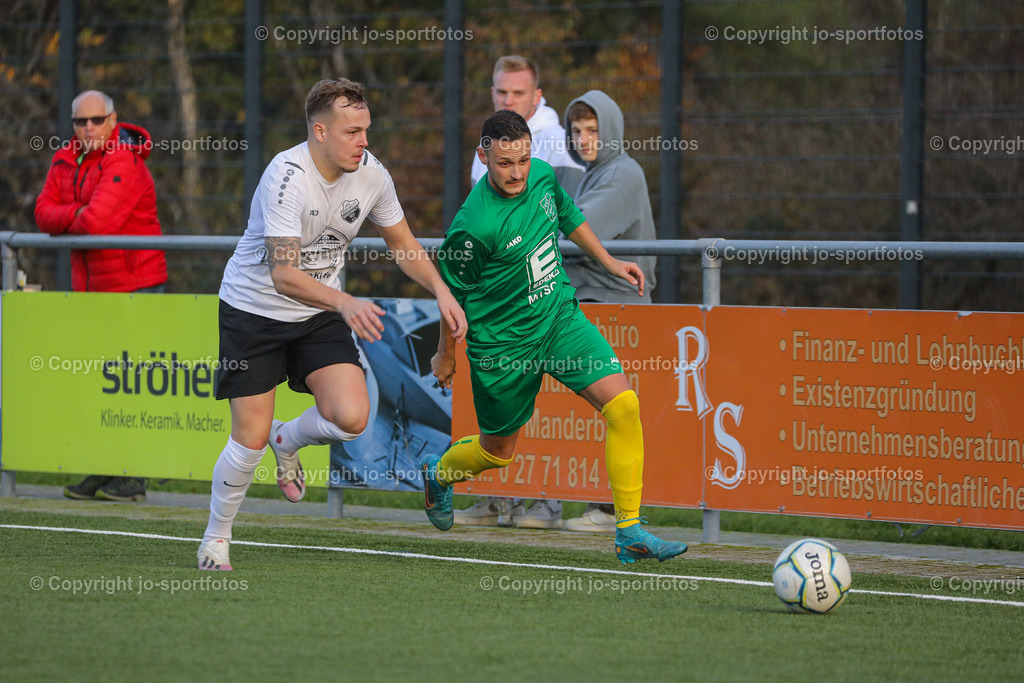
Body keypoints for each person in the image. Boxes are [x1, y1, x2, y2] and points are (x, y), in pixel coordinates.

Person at [197, 78, 467, 571]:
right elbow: (282, 274)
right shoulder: (286, 175)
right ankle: (217, 537)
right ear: (319, 131)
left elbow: (404, 244)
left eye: (366, 130)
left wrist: (442, 290)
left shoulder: (372, 174)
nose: (363, 141)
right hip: (254, 311)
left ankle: (289, 439)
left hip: (317, 312)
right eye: (352, 132)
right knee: (248, 438)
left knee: (352, 417)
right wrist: (344, 302)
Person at [423, 110, 687, 565]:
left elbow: (568, 215)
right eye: (505, 163)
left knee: (624, 406)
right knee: (497, 452)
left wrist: (608, 262)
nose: (517, 172)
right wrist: (446, 355)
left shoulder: (542, 176)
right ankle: (439, 475)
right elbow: (452, 300)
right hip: (503, 346)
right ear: (484, 156)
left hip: (560, 320)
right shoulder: (472, 227)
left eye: (523, 160)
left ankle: (629, 531)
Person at [457, 54, 585, 530]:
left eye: (517, 93)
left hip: (553, 288)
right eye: (501, 92)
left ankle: (545, 500)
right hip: (504, 301)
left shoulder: (552, 139)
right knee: (507, 417)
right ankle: (500, 498)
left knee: (555, 402)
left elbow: (567, 213)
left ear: (538, 95)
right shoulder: (492, 138)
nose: (508, 100)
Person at [35, 89, 168, 504]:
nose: (88, 128)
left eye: (96, 120)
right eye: (80, 122)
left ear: (113, 120)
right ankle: (106, 465)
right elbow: (41, 213)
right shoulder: (65, 157)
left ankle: (136, 477)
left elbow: (98, 220)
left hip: (135, 286)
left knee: (135, 385)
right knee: (101, 384)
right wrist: (77, 216)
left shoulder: (124, 159)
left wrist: (70, 217)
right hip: (93, 289)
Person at [560, 90, 659, 533]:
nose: (584, 139)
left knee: (616, 411)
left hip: (616, 308)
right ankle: (510, 501)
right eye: (577, 131)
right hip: (591, 302)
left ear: (612, 131)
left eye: (593, 130)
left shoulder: (622, 174)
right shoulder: (592, 174)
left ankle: (608, 512)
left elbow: (582, 234)